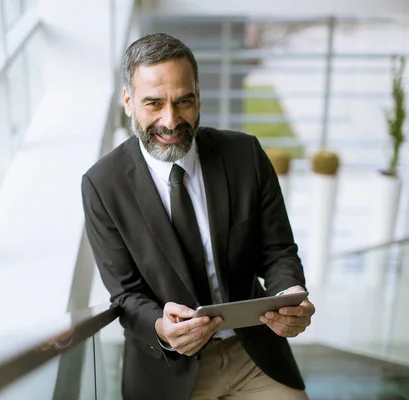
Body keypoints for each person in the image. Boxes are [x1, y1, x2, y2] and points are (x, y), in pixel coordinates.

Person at [81, 33, 315, 400]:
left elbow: (278, 250)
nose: (171, 120)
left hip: (252, 354)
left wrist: (288, 293)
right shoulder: (102, 184)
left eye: (184, 100)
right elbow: (124, 293)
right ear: (128, 101)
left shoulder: (245, 155)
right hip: (168, 370)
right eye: (153, 103)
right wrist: (161, 326)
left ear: (199, 96)